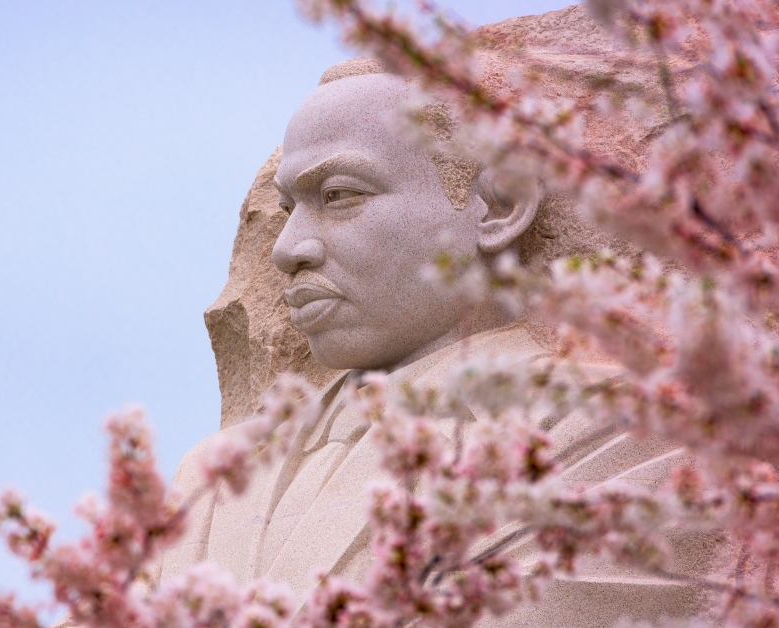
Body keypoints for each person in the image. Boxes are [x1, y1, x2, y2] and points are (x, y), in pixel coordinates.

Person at [154, 61, 722, 626]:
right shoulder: (207, 486)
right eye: (287, 210)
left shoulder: (623, 438)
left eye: (339, 194)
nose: (287, 247)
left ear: (500, 206)